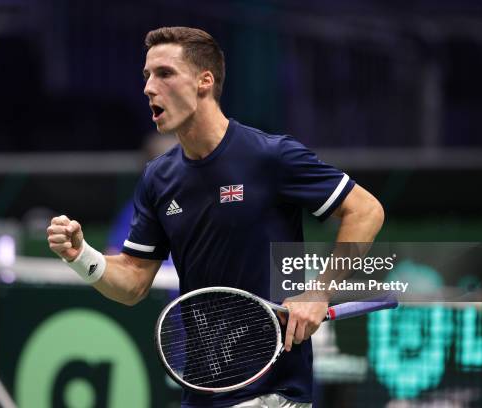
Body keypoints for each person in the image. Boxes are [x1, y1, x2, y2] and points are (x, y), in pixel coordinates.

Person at [47, 27, 384, 408]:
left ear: (204, 81)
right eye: (146, 76)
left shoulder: (269, 157)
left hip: (272, 393)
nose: (148, 88)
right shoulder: (158, 179)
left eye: (165, 73)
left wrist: (320, 291)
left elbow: (365, 210)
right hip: (204, 390)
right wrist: (81, 256)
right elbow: (132, 282)